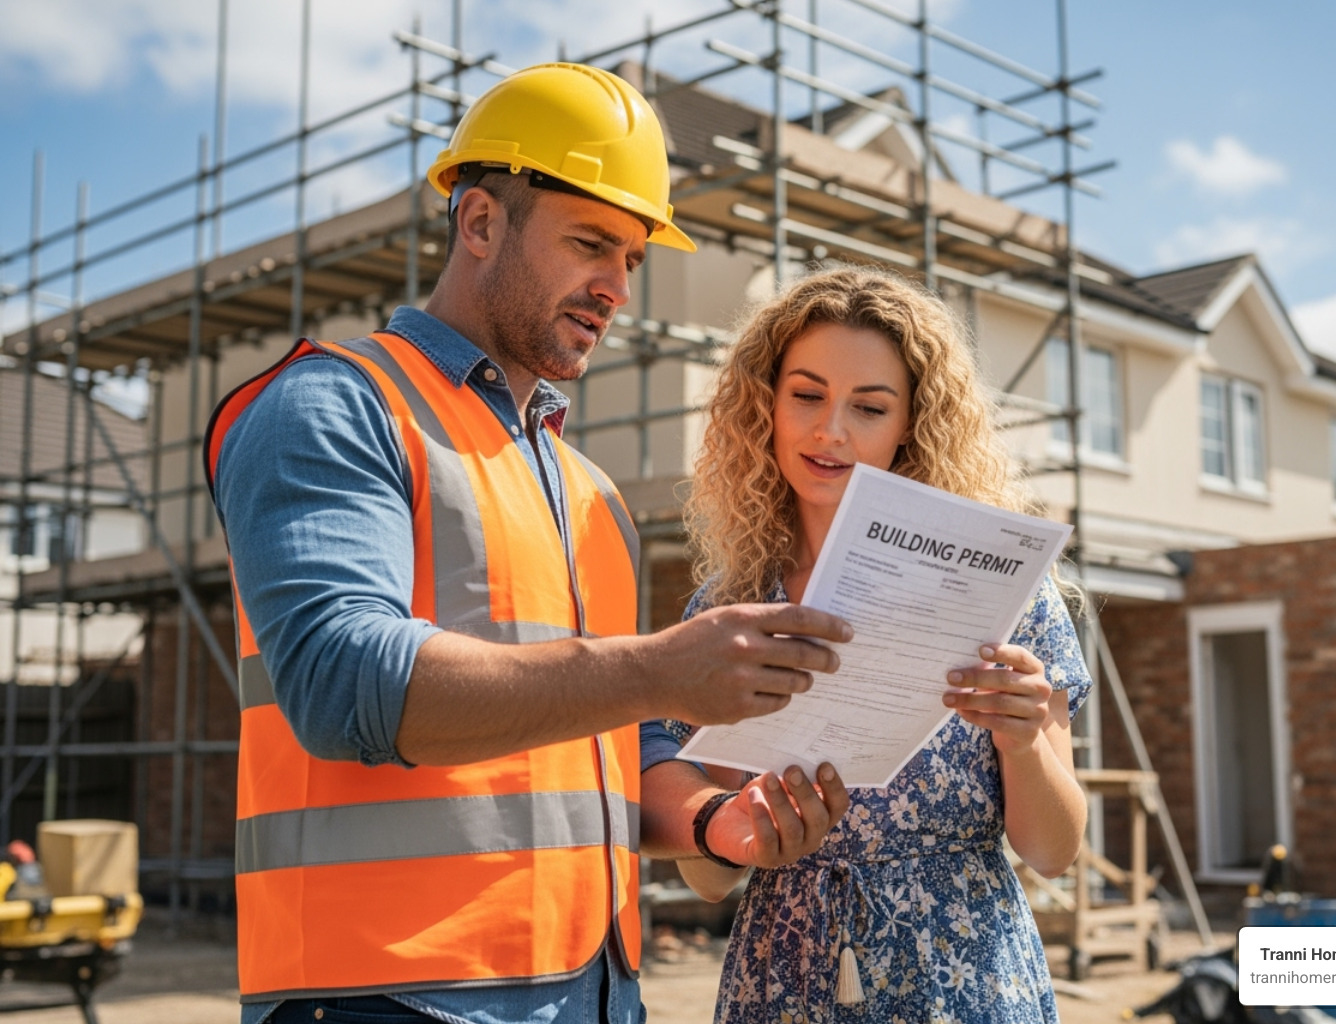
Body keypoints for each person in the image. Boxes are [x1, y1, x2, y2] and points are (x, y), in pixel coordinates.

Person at [205, 63, 853, 1024]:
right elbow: (342, 681)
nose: (616, 289)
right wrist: (659, 672)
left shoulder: (587, 493)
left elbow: (605, 752)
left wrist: (718, 824)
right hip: (385, 994)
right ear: (478, 224)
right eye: (590, 243)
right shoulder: (335, 405)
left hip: (590, 992)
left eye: (632, 258)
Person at [640, 267, 1092, 1023]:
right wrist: (732, 823)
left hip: (967, 980)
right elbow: (708, 881)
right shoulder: (724, 609)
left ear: (912, 422)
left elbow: (1053, 851)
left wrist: (1022, 743)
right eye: (807, 396)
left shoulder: (1010, 595)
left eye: (869, 407)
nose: (831, 432)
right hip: (784, 980)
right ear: (767, 407)